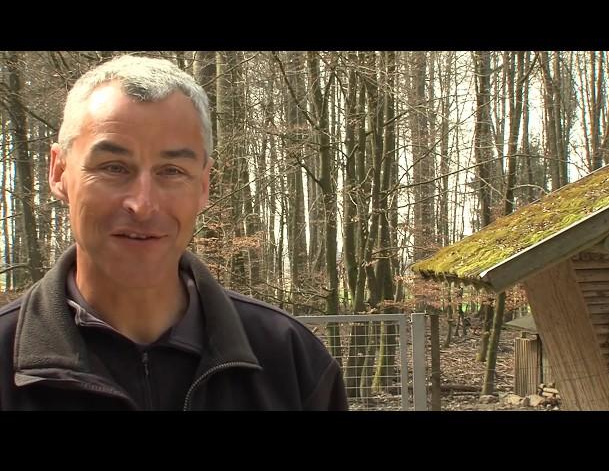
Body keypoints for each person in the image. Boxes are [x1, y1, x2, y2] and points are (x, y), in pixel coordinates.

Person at [0, 55, 348, 410]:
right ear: (59, 172)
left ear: (203, 185)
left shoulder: (291, 362)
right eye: (114, 167)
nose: (143, 204)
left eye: (172, 171)